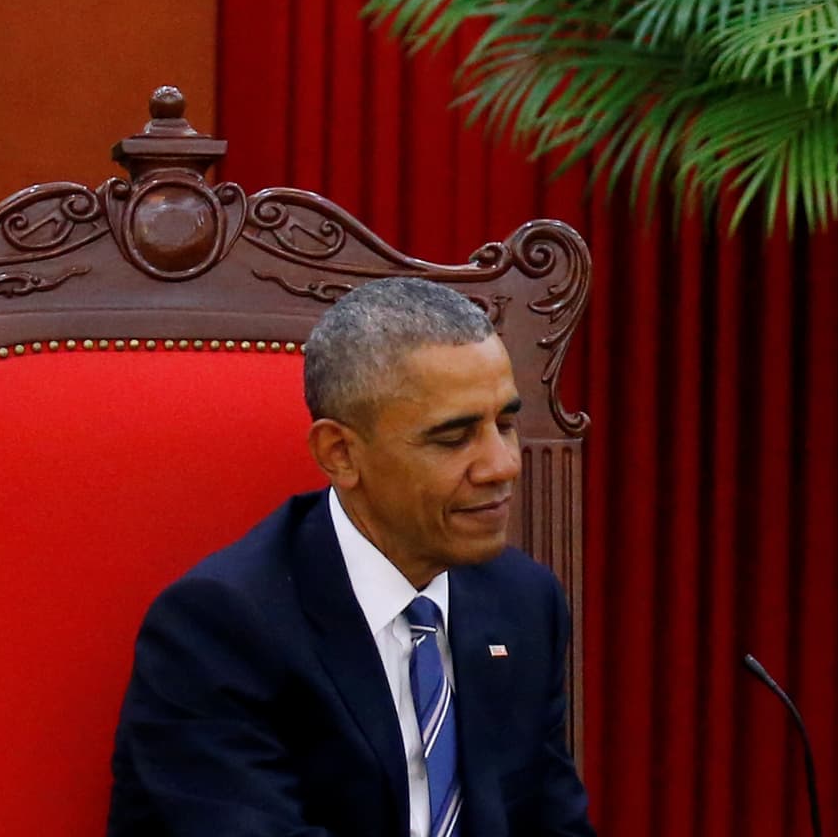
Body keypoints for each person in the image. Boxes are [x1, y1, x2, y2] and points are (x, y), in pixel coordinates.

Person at [109, 278, 597, 836]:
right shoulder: (219, 629)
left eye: (505, 425)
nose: (501, 465)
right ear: (340, 453)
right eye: (453, 438)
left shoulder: (522, 600)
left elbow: (554, 824)